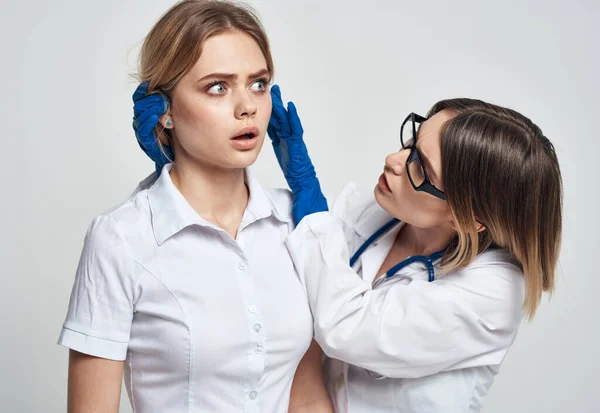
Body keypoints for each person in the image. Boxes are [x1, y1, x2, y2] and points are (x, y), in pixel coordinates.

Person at [58, 1, 331, 412]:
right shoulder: (122, 238)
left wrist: (318, 223)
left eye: (258, 83)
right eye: (218, 87)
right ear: (164, 110)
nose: (247, 106)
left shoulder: (294, 222)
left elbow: (306, 394)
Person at [271, 90, 563, 412]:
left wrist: (310, 203)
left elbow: (345, 328)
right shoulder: (375, 212)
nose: (393, 160)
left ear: (471, 218)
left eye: (422, 169)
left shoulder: (494, 294)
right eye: (411, 142)